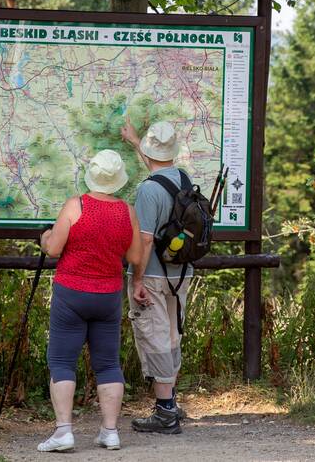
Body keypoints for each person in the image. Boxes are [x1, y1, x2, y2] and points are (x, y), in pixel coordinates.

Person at [36, 149, 144, 453]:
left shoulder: (76, 205)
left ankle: (63, 432)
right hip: (108, 295)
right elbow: (135, 257)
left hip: (71, 292)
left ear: (92, 175)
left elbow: (54, 248)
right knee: (108, 363)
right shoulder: (128, 212)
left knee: (61, 361)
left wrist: (45, 238)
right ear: (118, 180)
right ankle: (110, 432)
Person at [120, 119, 192, 434]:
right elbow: (158, 174)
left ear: (151, 150)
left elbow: (145, 240)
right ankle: (171, 401)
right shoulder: (184, 179)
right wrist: (137, 143)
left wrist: (136, 280)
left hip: (152, 275)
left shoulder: (148, 190)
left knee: (155, 337)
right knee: (172, 334)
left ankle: (165, 412)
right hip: (181, 273)